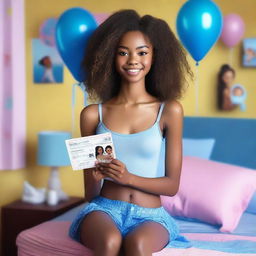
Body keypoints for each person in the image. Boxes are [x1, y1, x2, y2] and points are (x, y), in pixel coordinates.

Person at [69, 9, 193, 256]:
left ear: (155, 57)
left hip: (151, 216)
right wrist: (94, 177)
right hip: (104, 211)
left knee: (137, 246)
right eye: (123, 52)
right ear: (110, 57)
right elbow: (89, 194)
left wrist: (127, 178)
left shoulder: (169, 111)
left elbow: (171, 186)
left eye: (142, 52)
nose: (132, 60)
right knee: (109, 242)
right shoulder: (93, 114)